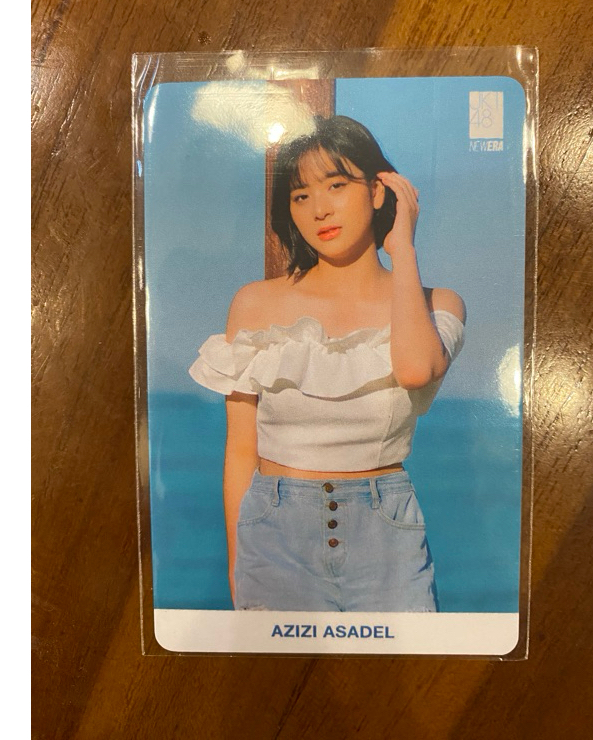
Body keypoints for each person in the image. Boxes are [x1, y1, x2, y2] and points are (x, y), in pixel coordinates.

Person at [189, 115, 465, 612]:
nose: (319, 209)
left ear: (378, 191)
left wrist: (403, 249)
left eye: (336, 185)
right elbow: (241, 451)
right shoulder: (255, 303)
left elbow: (415, 371)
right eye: (300, 196)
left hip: (387, 534)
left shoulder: (438, 305)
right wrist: (238, 564)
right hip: (274, 534)